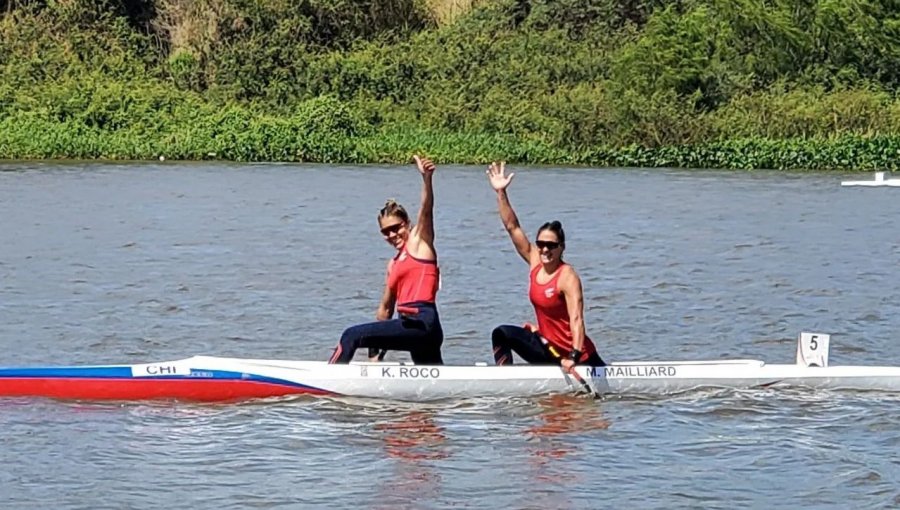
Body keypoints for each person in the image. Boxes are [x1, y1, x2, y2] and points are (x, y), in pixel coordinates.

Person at [485, 161, 605, 372]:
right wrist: (501, 192)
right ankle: (506, 378)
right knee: (501, 333)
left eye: (551, 245)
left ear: (561, 248)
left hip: (574, 356)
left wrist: (574, 356)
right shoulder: (535, 261)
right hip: (548, 347)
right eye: (541, 244)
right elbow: (512, 227)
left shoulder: (567, 276)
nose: (545, 250)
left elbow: (576, 319)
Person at [328, 155, 443, 364]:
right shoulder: (392, 265)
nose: (392, 235)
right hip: (409, 327)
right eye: (385, 232)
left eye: (396, 228)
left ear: (407, 224)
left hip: (422, 323)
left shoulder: (420, 243)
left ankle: (326, 382)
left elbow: (426, 210)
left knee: (351, 335)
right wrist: (375, 356)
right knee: (434, 388)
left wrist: (427, 179)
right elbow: (385, 310)